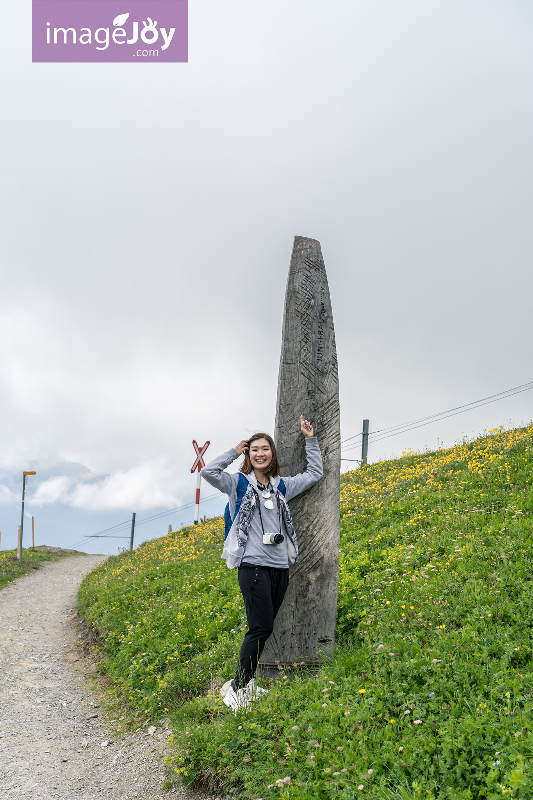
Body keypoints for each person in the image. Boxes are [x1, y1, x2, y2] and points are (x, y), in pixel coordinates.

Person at [201, 415, 323, 710]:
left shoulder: (281, 487)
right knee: (259, 627)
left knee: (263, 628)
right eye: (254, 449)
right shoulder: (237, 484)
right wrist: (233, 450)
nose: (259, 453)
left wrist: (310, 439)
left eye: (264, 449)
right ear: (248, 453)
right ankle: (238, 688)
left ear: (272, 454)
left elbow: (315, 473)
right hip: (252, 566)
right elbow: (208, 471)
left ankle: (246, 682)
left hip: (280, 566)